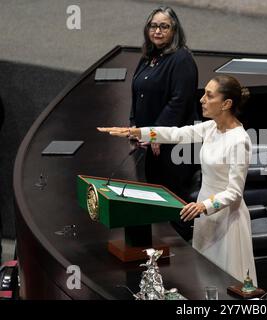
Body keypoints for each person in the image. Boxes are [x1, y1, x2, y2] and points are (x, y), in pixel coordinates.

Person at [98, 75, 257, 285]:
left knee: (226, 283)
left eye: (209, 96)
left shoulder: (239, 140)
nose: (202, 100)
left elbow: (235, 191)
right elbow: (176, 134)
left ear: (226, 104)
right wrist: (135, 131)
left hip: (226, 219)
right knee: (205, 278)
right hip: (204, 213)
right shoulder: (211, 128)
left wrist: (204, 206)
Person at [130, 6, 199, 198]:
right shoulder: (149, 56)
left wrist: (157, 132)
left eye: (164, 26)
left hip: (175, 145)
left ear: (174, 31)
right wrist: (134, 124)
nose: (157, 31)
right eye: (153, 26)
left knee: (176, 200)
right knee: (158, 196)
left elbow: (179, 101)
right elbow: (137, 91)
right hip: (153, 141)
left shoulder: (181, 59)